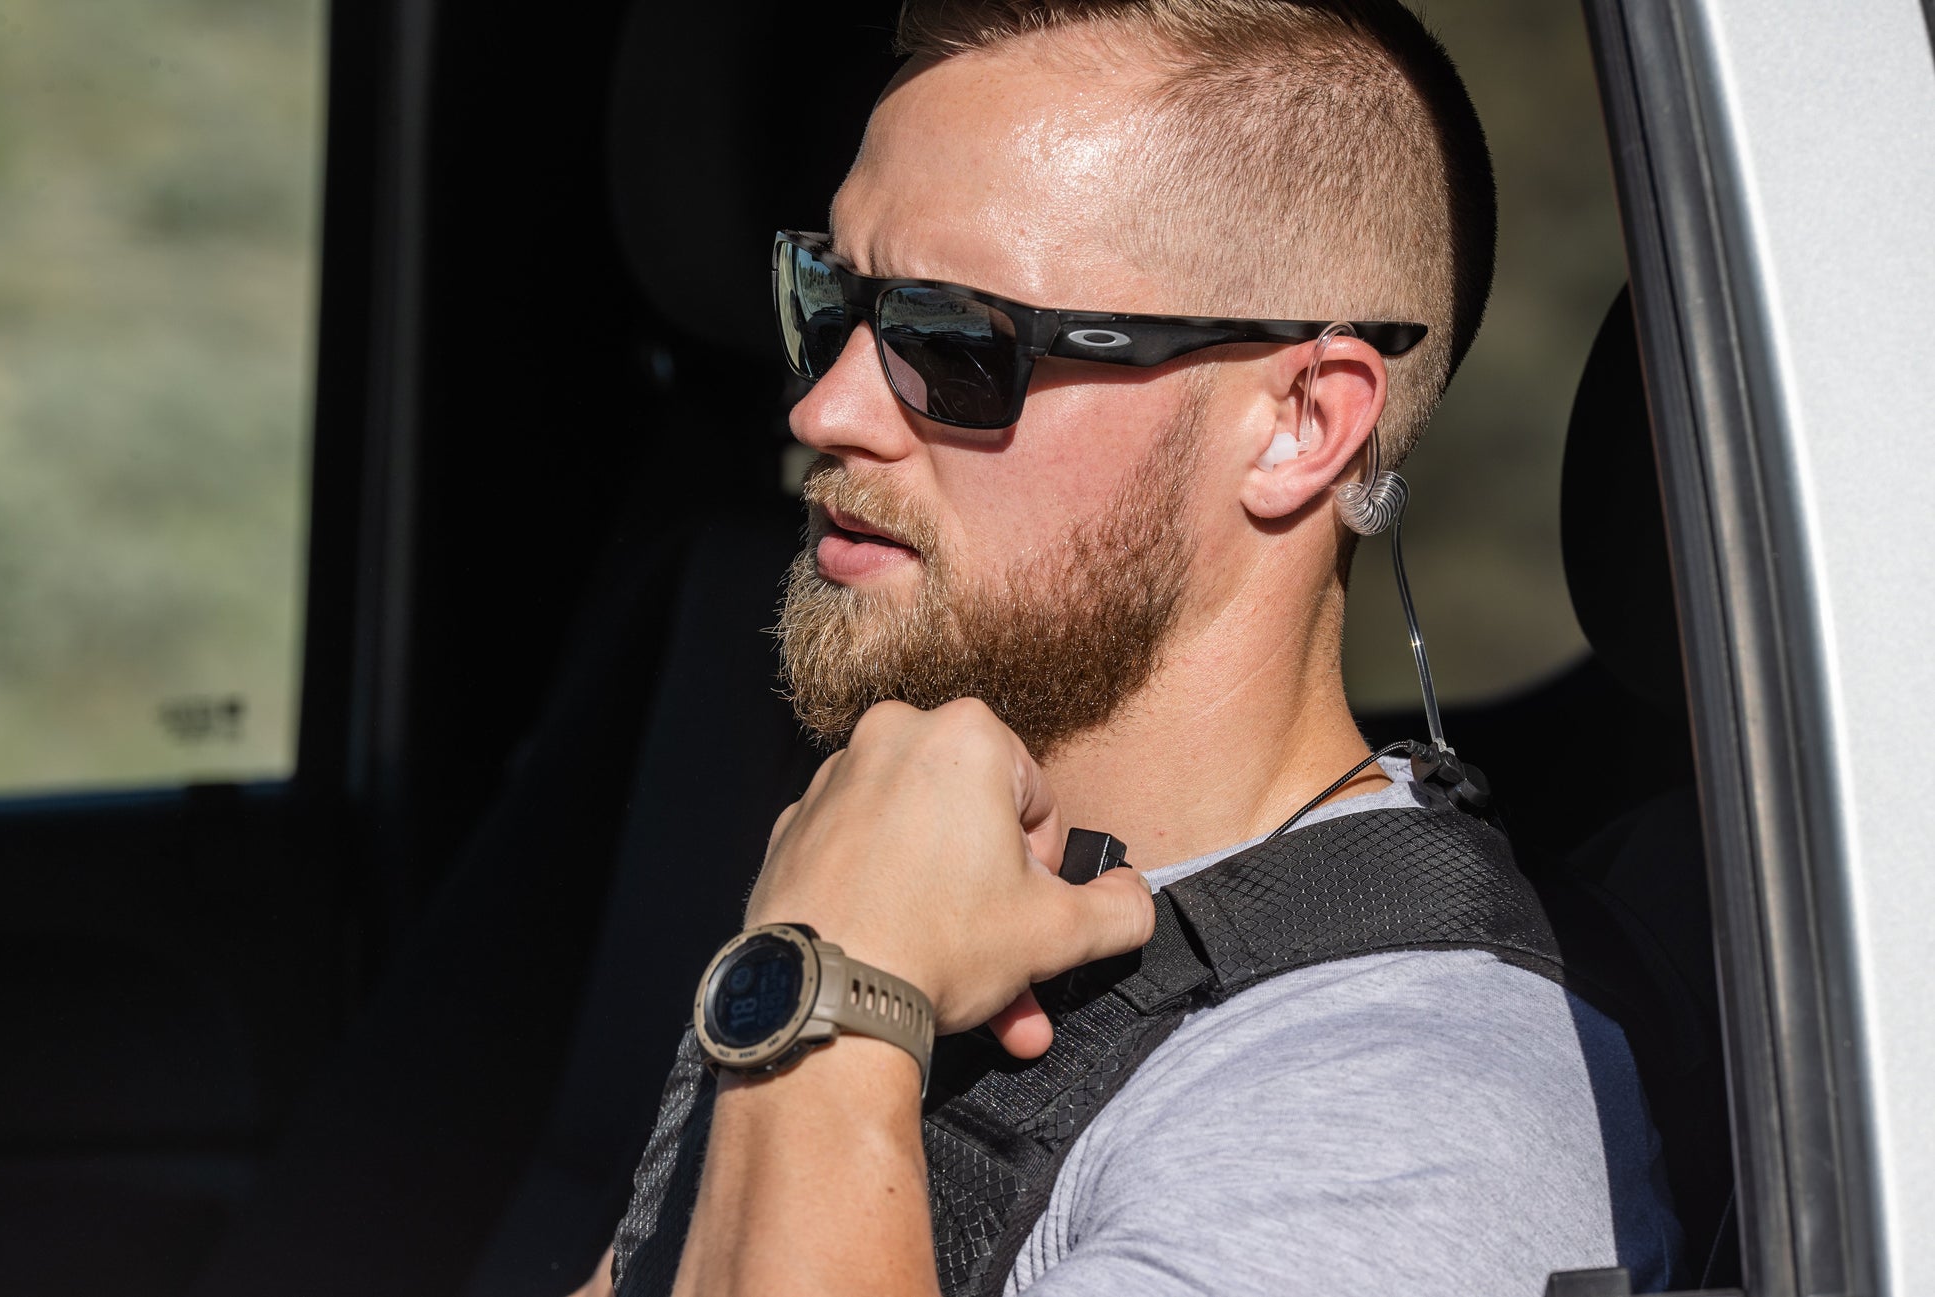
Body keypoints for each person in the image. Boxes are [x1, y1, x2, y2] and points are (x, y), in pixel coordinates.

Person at [578, 1, 1680, 1293]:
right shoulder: (880, 863)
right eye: (830, 302)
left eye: (954, 338)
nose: (826, 407)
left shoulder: (1409, 1121)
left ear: (1301, 423)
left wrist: (827, 996)